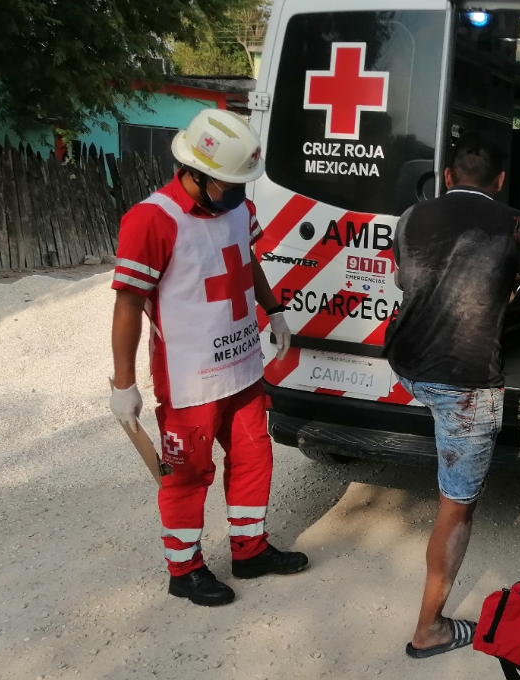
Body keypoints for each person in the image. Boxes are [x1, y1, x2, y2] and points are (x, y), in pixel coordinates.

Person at [109, 109, 308, 607]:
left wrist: (274, 309)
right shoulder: (152, 219)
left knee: (253, 456)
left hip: (242, 369)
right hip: (190, 381)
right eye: (228, 182)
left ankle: (250, 548)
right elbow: (128, 302)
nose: (239, 192)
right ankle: (185, 568)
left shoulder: (237, 209)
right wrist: (122, 383)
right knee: (188, 474)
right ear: (194, 172)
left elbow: (245, 260)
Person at [386, 136, 520, 658]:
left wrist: (504, 288)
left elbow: (415, 282)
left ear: (447, 176)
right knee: (456, 507)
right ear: (499, 182)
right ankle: (429, 630)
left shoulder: (408, 219)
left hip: (407, 364)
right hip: (465, 385)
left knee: (444, 428)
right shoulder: (516, 223)